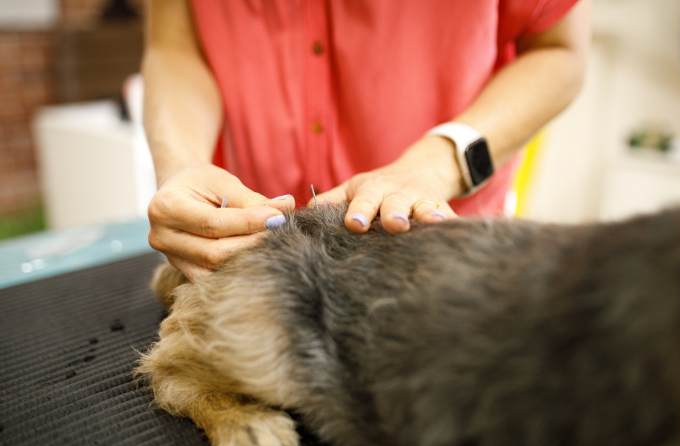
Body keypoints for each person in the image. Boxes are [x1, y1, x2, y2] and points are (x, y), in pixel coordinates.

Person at [143, 0, 591, 281]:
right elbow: (174, 46)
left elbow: (559, 51)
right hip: (249, 250)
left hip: (440, 246)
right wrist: (180, 163)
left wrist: (436, 165)